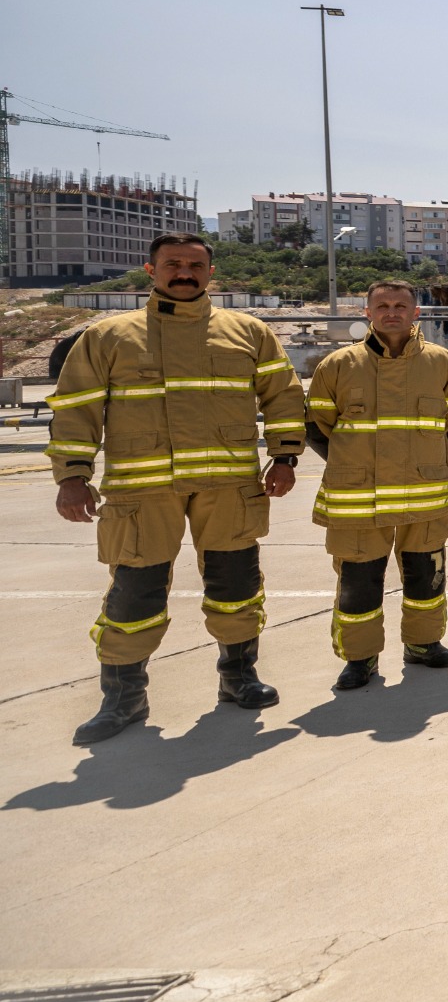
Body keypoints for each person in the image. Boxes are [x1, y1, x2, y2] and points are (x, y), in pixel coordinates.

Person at [49, 232, 305, 743]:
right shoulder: (110, 336)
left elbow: (283, 395)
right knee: (134, 595)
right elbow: (76, 409)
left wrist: (286, 455)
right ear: (151, 270)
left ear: (211, 273)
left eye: (194, 264)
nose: (183, 272)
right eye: (172, 264)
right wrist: (72, 476)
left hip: (229, 487)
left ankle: (239, 678)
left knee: (236, 589)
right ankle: (123, 698)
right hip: (143, 493)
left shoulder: (248, 331)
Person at [305, 277, 448, 689]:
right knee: (359, 582)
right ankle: (360, 659)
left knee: (426, 575)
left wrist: (419, 457)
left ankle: (424, 643)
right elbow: (317, 425)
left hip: (424, 494)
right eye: (382, 306)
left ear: (416, 312)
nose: (391, 312)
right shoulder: (339, 365)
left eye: (400, 305)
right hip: (358, 497)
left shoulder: (441, 362)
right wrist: (353, 461)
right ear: (367, 313)